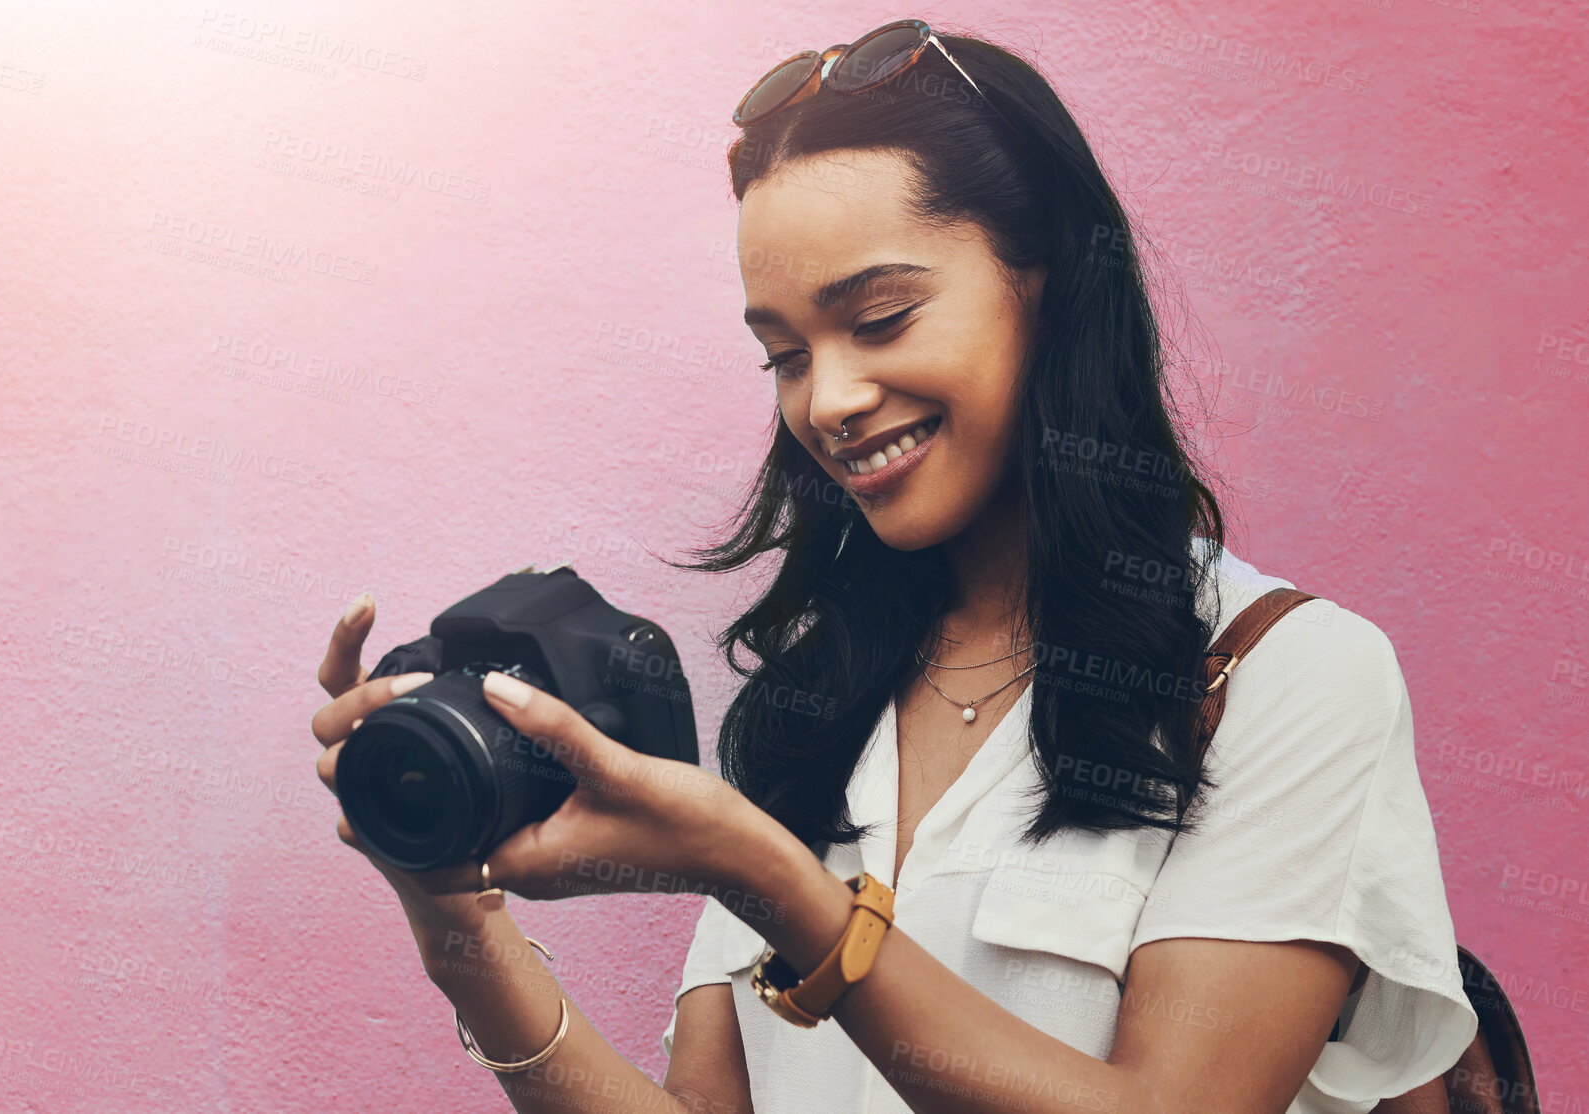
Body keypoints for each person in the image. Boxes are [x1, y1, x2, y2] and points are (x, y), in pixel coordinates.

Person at [308, 19, 1478, 1114]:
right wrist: (454, 911)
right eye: (782, 354)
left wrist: (774, 882)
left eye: (878, 318)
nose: (830, 400)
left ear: (1054, 283)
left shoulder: (1289, 676)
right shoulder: (807, 706)